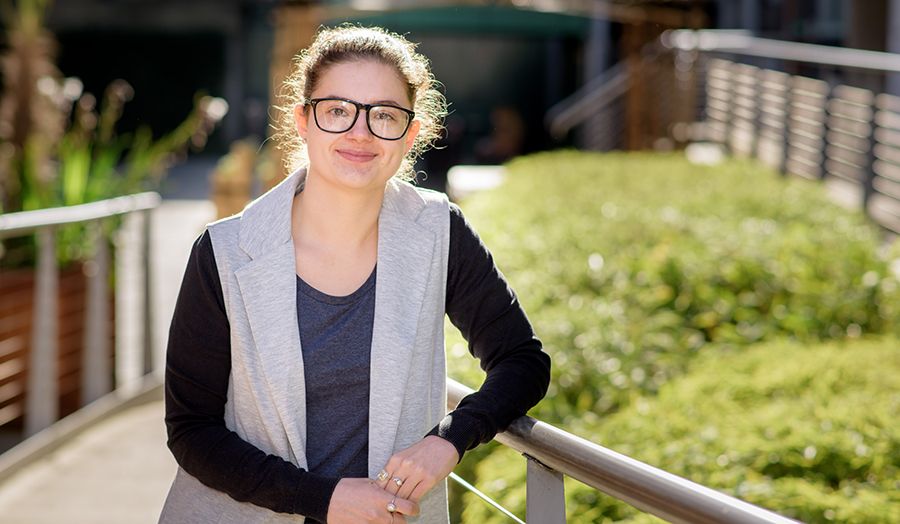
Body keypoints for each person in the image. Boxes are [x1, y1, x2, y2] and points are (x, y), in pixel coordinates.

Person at [159, 25, 550, 524]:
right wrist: (320, 499)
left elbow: (522, 360)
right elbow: (192, 430)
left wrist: (448, 442)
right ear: (303, 121)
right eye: (338, 111)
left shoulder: (437, 231)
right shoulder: (226, 251)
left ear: (410, 134)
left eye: (384, 114)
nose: (360, 133)